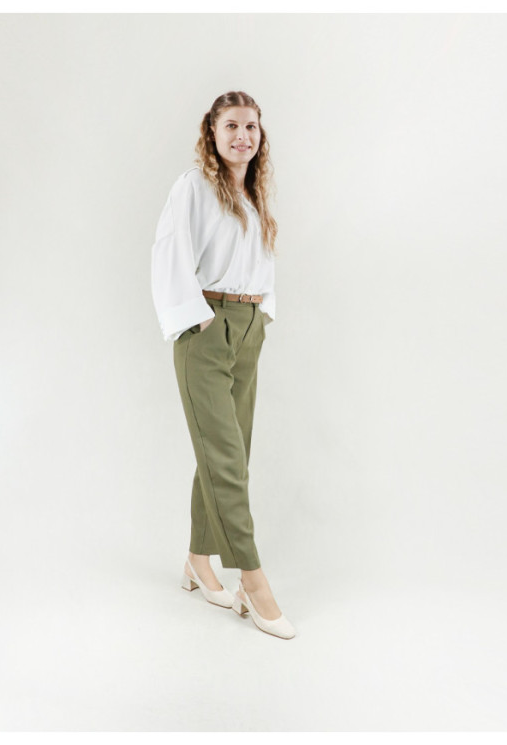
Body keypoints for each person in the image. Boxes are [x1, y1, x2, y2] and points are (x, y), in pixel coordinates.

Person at [150, 91, 296, 639]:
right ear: (211, 132)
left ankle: (197, 558)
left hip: (249, 328)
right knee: (226, 461)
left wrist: (263, 314)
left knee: (227, 453)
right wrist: (199, 320)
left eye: (251, 127)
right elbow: (169, 254)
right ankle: (254, 583)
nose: (242, 136)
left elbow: (259, 261)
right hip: (206, 329)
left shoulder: (253, 194)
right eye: (231, 125)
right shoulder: (194, 187)